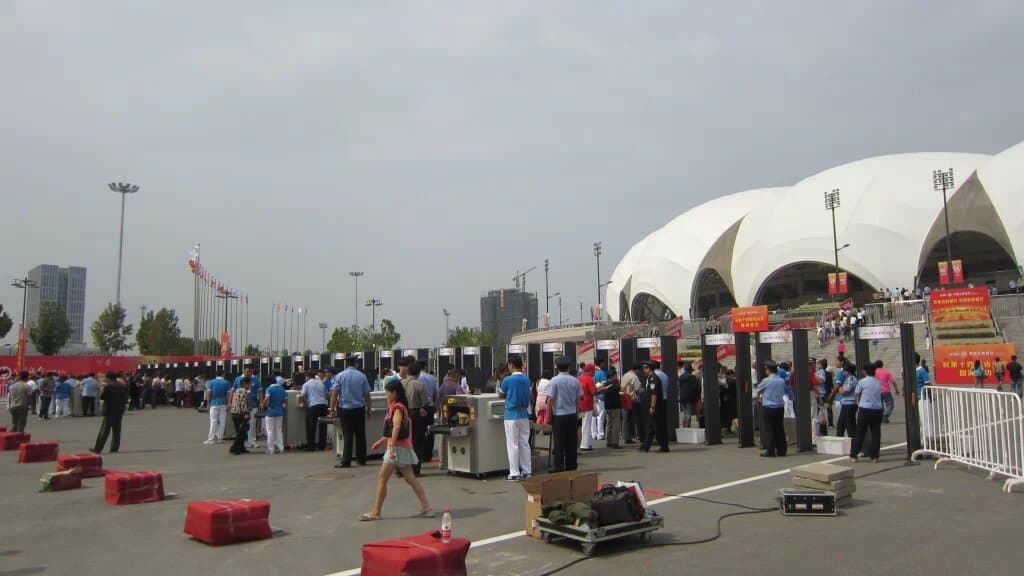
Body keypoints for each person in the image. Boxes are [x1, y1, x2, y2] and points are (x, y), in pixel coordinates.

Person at [360, 379, 433, 522]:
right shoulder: (401, 407)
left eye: (388, 392)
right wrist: (382, 441)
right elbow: (394, 429)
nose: (386, 395)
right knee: (410, 479)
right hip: (403, 447)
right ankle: (426, 508)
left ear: (394, 393)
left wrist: (391, 447)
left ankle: (376, 512)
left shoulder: (397, 408)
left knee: (382, 479)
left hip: (396, 449)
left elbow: (396, 427)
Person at [331, 356, 372, 467]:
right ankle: (362, 459)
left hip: (345, 409)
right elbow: (367, 395)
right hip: (359, 409)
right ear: (356, 364)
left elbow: (334, 394)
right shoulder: (362, 376)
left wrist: (332, 409)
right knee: (360, 434)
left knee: (348, 435)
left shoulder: (340, 376)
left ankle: (346, 461)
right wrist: (369, 409)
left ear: (347, 364)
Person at [498, 356, 532, 481]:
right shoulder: (526, 378)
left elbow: (500, 394)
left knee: (513, 444)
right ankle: (527, 471)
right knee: (524, 443)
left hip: (511, 415)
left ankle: (514, 472)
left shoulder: (507, 380)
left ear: (511, 365)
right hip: (524, 414)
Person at [546, 356, 582, 472]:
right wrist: (577, 413)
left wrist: (548, 415)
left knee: (559, 442)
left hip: (559, 415)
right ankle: (571, 466)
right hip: (571, 414)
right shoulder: (575, 380)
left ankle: (559, 466)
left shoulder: (554, 381)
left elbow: (550, 399)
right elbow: (578, 400)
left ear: (557, 367)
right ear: (568, 367)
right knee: (572, 442)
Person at [850, 363, 883, 462]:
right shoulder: (878, 381)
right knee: (876, 433)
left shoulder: (862, 381)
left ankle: (854, 455)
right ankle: (875, 456)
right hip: (877, 409)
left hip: (865, 409)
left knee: (860, 432)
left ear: (865, 371)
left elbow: (856, 393)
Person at [401, 358, 428, 475]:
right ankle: (415, 469)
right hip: (415, 414)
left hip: (402, 413)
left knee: (403, 441)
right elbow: (425, 402)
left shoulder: (401, 383)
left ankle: (401, 468)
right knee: (416, 442)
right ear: (418, 372)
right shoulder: (419, 385)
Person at [756, 362, 788, 457]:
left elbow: (758, 389)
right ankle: (782, 450)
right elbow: (785, 390)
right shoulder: (781, 380)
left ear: (768, 370)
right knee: (779, 428)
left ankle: (770, 451)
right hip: (780, 407)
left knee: (769, 429)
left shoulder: (766, 380)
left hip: (769, 407)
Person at [92, 372, 128, 454]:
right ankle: (114, 448)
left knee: (104, 431)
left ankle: (98, 448)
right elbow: (125, 398)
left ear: (109, 378)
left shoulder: (108, 387)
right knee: (117, 431)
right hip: (119, 411)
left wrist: (102, 390)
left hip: (109, 411)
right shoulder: (122, 386)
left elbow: (103, 397)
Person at [640, 361, 669, 453]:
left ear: (649, 368)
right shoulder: (651, 378)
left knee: (657, 426)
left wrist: (652, 407)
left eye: (645, 368)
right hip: (656, 405)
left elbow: (654, 394)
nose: (644, 370)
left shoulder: (654, 379)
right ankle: (646, 446)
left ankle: (663, 446)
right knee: (652, 426)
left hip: (656, 406)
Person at [416, 361, 438, 464]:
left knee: (420, 431)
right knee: (430, 431)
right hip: (430, 407)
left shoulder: (416, 378)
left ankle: (420, 453)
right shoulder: (432, 378)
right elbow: (436, 393)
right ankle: (428, 454)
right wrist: (436, 406)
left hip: (419, 407)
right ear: (425, 366)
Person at [301, 370, 329, 451]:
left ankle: (311, 446)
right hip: (323, 406)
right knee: (323, 426)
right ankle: (322, 446)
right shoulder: (321, 383)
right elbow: (327, 395)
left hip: (313, 406)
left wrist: (307, 403)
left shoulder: (306, 384)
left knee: (311, 426)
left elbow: (302, 396)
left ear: (308, 377)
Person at [204, 371, 232, 444]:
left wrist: (208, 403)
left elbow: (209, 393)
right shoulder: (226, 382)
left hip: (214, 402)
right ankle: (220, 438)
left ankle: (211, 438)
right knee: (222, 421)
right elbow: (228, 394)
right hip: (223, 403)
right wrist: (228, 403)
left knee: (214, 421)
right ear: (223, 374)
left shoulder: (211, 382)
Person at [598, 366, 622, 448]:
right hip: (615, 406)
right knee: (616, 424)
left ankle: (608, 441)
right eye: (615, 375)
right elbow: (619, 388)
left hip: (607, 406)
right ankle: (615, 442)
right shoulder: (614, 385)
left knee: (609, 424)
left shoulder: (605, 384)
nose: (616, 377)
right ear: (612, 376)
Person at [262, 376, 287, 454]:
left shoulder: (269, 389)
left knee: (270, 431)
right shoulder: (282, 389)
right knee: (279, 430)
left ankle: (271, 449)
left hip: (270, 412)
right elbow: (285, 401)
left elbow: (267, 398)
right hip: (280, 411)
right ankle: (281, 448)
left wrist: (263, 405)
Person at [228, 376, 252, 455]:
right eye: (249, 384)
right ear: (245, 384)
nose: (250, 385)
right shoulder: (243, 391)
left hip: (235, 413)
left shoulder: (237, 390)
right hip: (240, 414)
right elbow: (243, 404)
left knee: (240, 432)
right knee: (241, 432)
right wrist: (246, 414)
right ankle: (235, 448)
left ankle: (241, 447)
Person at [620, 365, 642, 444]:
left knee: (625, 419)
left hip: (624, 398)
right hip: (632, 399)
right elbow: (638, 388)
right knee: (635, 419)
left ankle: (626, 437)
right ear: (637, 370)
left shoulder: (624, 375)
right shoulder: (634, 377)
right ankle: (637, 436)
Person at [577, 364, 596, 452]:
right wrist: (601, 389)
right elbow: (593, 392)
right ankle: (584, 444)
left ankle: (585, 443)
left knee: (581, 425)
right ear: (590, 370)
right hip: (587, 404)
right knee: (586, 425)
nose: (594, 372)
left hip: (580, 404)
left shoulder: (579, 378)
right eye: (593, 370)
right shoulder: (590, 379)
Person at [678, 362, 701, 428]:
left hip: (682, 398)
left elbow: (679, 387)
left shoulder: (680, 377)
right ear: (690, 370)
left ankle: (683, 427)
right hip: (690, 398)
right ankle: (688, 427)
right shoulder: (692, 377)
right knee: (689, 413)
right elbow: (696, 387)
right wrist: (698, 395)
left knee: (684, 413)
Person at [592, 360, 608, 442]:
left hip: (593, 396)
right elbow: (604, 383)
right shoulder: (601, 372)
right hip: (601, 396)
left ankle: (593, 434)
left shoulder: (592, 372)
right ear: (601, 363)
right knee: (600, 416)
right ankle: (600, 434)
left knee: (593, 416)